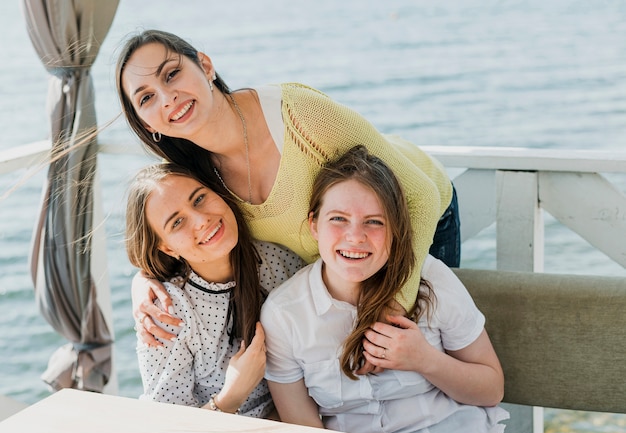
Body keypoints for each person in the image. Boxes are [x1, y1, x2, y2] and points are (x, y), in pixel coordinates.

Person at [115, 29, 460, 346]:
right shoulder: (191, 176)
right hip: (339, 259)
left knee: (424, 357)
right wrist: (143, 283)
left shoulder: (298, 114)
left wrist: (394, 305)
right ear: (144, 123)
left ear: (205, 65)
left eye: (171, 74)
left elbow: (420, 196)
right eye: (146, 98)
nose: (167, 97)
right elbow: (162, 231)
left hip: (411, 214)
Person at [260, 146, 508, 433]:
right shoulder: (284, 314)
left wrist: (424, 359)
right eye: (338, 218)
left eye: (374, 221)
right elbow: (307, 432)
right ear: (314, 224)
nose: (355, 236)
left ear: (395, 229)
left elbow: (491, 389)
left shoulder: (431, 279)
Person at [125, 162, 303, 417]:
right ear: (167, 248)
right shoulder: (167, 311)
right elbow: (168, 430)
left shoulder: (279, 262)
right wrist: (231, 396)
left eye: (199, 199)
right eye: (177, 223)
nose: (201, 220)